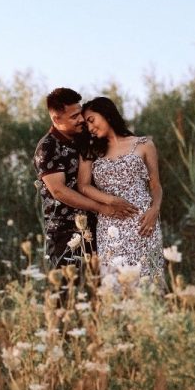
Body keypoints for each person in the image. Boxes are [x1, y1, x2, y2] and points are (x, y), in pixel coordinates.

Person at [33, 88, 139, 272]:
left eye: (80, 113)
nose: (81, 119)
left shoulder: (86, 137)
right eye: (74, 116)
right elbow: (59, 191)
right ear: (56, 119)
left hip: (99, 229)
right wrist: (104, 208)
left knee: (100, 292)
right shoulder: (48, 148)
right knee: (68, 293)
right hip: (65, 234)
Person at [77, 96, 164, 280]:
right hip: (111, 226)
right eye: (87, 125)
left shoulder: (144, 144)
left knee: (148, 284)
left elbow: (155, 185)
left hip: (143, 224)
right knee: (115, 286)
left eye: (92, 120)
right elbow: (83, 186)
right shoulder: (91, 150)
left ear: (107, 113)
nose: (90, 128)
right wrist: (111, 200)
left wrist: (155, 209)